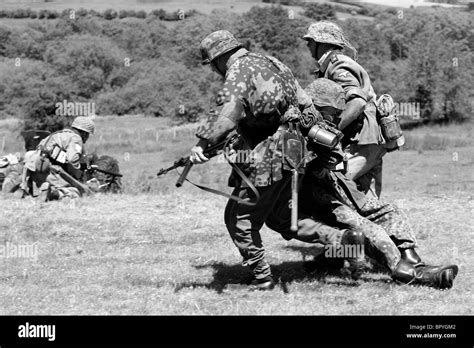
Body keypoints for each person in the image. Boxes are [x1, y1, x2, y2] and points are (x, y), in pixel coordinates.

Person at [190, 30, 364, 291]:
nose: (214, 71)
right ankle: (344, 241)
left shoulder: (238, 70)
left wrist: (203, 142)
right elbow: (306, 103)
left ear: (219, 58)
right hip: (294, 152)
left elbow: (229, 111)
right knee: (282, 218)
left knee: (239, 218)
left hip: (267, 158)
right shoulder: (274, 63)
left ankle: (262, 278)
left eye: (212, 65)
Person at [298, 79, 459, 289]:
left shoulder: (321, 127)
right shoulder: (295, 128)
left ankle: (412, 259)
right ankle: (406, 272)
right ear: (316, 107)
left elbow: (334, 154)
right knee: (362, 226)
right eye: (333, 113)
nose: (337, 118)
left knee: (387, 211)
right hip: (310, 192)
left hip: (334, 182)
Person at [302, 21, 402, 199]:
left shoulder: (339, 65)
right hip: (365, 139)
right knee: (365, 198)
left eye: (310, 41)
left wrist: (329, 131)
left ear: (322, 43)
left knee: (334, 187)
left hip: (361, 140)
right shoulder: (330, 65)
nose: (307, 45)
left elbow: (357, 102)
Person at [19, 116, 95, 201]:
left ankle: (43, 191)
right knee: (75, 192)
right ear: (84, 134)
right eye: (88, 135)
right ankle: (52, 193)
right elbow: (72, 160)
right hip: (49, 169)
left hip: (32, 168)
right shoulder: (76, 138)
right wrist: (79, 168)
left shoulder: (56, 134)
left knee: (39, 191)